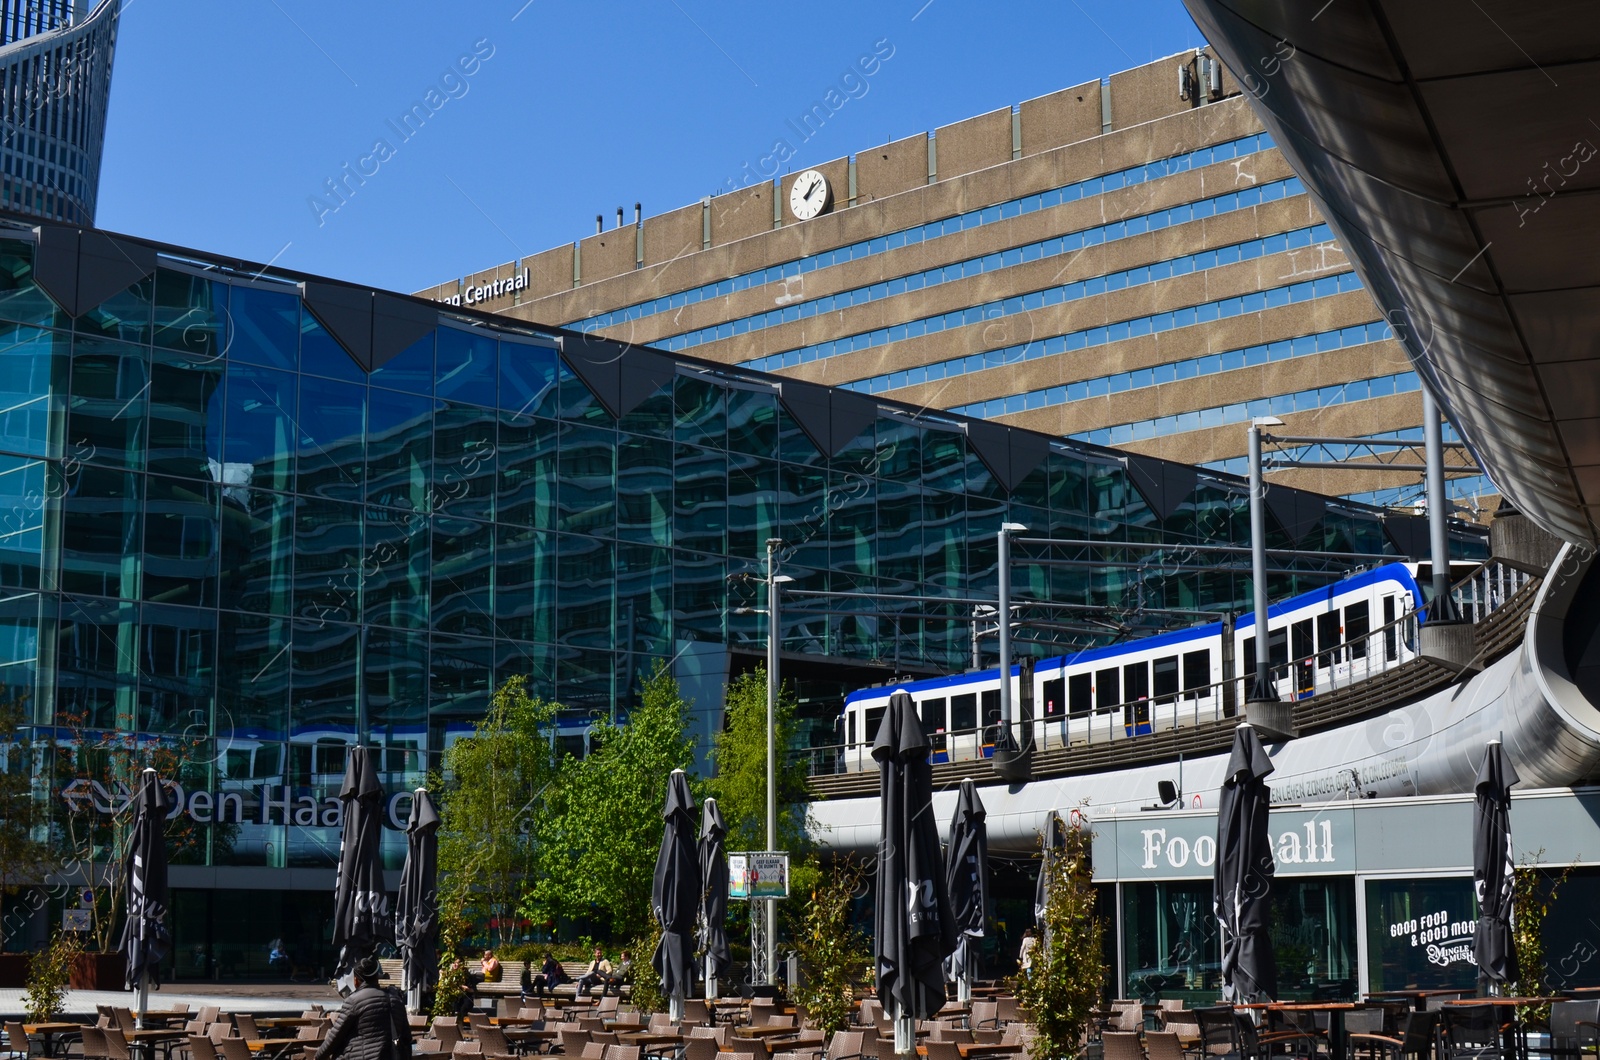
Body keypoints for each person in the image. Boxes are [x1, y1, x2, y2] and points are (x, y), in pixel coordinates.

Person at [315, 955, 410, 1060]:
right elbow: (406, 1036)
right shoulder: (396, 1000)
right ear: (376, 977)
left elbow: (335, 1036)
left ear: (355, 980)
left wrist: (318, 1056)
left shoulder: (353, 1001)